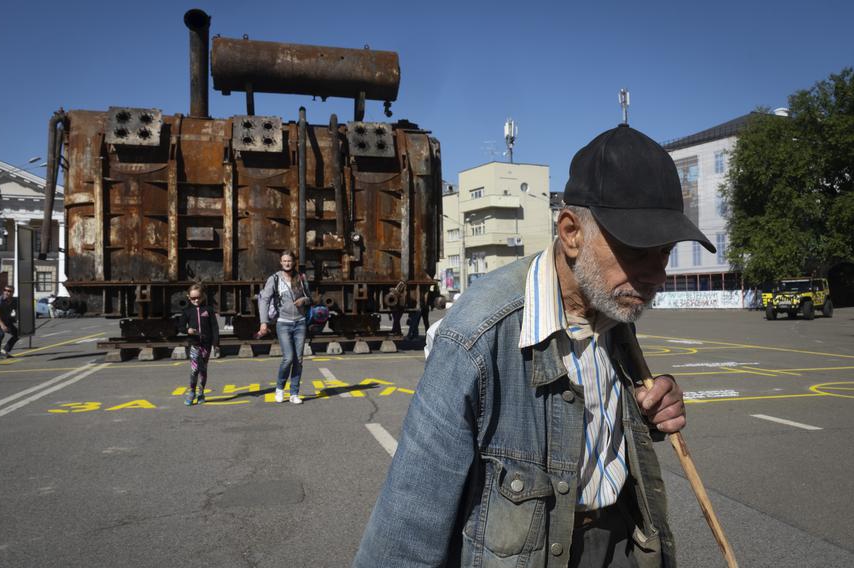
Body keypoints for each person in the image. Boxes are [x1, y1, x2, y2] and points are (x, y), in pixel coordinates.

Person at [355, 124, 715, 567]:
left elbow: (593, 419)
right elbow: (407, 526)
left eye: (664, 252)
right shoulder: (476, 335)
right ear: (570, 232)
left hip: (623, 542)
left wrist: (647, 414)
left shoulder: (613, 304)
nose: (657, 275)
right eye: (637, 250)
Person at [257, 251, 311, 405]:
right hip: (283, 323)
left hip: (300, 322)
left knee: (298, 360)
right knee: (288, 358)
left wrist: (303, 300)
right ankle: (280, 388)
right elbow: (264, 300)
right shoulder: (274, 279)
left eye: (290, 261)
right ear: (281, 262)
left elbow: (310, 298)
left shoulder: (301, 278)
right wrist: (263, 322)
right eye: (284, 261)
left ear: (294, 262)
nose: (287, 263)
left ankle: (294, 393)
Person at [177, 283, 220, 406]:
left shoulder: (208, 310)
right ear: (188, 297)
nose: (196, 300)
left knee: (203, 370)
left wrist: (216, 344)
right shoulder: (187, 311)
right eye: (193, 298)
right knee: (194, 369)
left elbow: (215, 328)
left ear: (203, 296)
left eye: (198, 297)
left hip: (206, 346)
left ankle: (201, 392)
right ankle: (191, 392)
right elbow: (180, 327)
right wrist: (187, 330)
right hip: (194, 345)